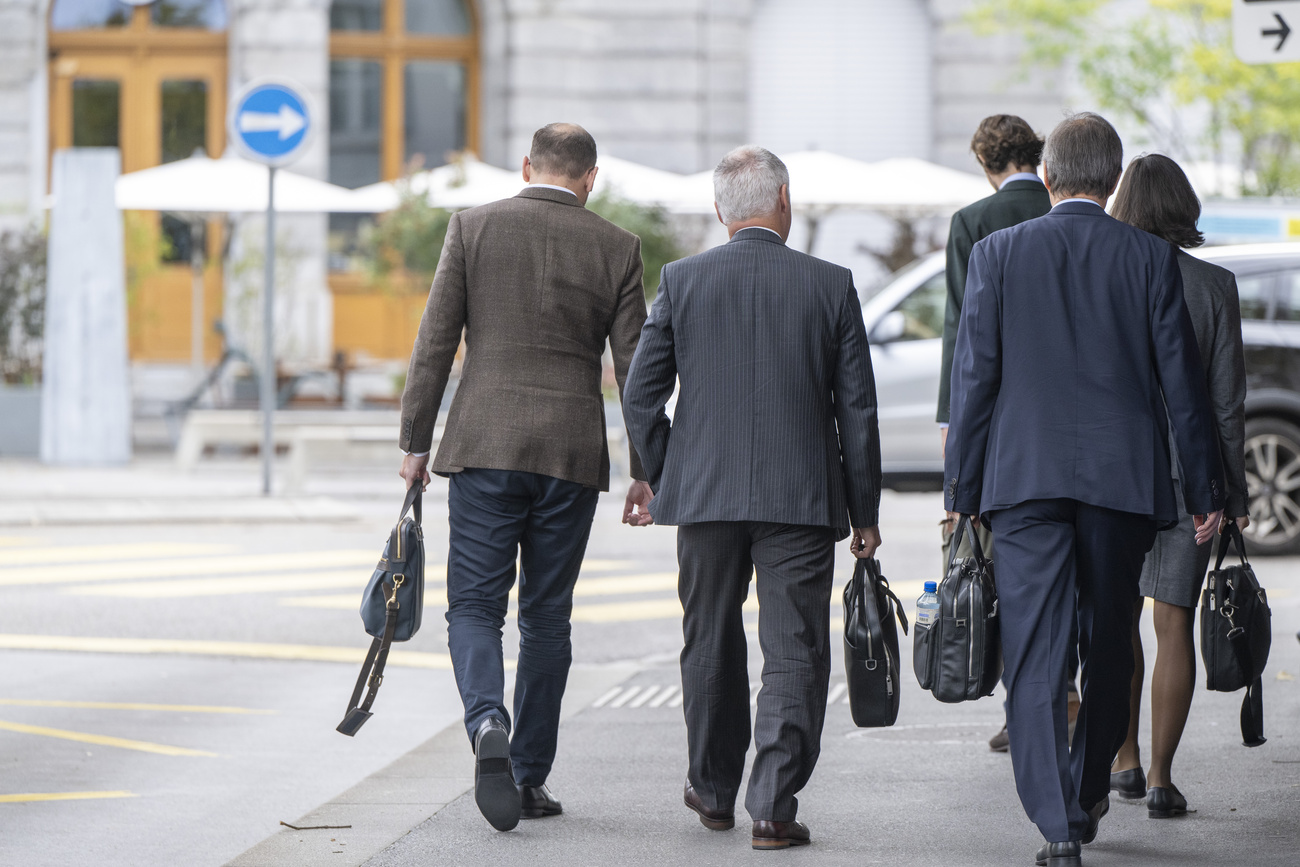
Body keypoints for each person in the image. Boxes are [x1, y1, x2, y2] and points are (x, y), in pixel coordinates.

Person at [944, 113, 1226, 867]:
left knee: (1034, 649)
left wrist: (961, 490)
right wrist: (1204, 489)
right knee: (1108, 640)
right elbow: (1183, 388)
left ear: (1049, 174)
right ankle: (1092, 782)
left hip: (1024, 481)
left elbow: (975, 382)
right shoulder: (1147, 259)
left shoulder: (998, 255)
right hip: (1121, 482)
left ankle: (1057, 821)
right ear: (1112, 178)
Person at [622, 145, 882, 851]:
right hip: (800, 495)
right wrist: (865, 514)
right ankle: (772, 802)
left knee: (708, 635)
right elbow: (856, 410)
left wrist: (662, 465)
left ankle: (711, 790)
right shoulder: (831, 284)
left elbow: (641, 391)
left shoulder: (681, 279)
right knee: (794, 644)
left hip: (702, 493)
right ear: (785, 202)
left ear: (719, 211)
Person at [397, 122, 655, 832]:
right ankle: (528, 774)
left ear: (525, 166)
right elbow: (635, 367)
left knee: (476, 608)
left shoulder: (472, 228)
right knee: (548, 616)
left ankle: (487, 720)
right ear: (590, 178)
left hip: (483, 442)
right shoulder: (617, 246)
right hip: (571, 453)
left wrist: (416, 441)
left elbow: (435, 343)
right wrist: (645, 467)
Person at [1107, 153, 1250, 818]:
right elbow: (1225, 405)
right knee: (1175, 623)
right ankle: (1163, 778)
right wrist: (1230, 494)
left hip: (1115, 479)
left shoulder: (1107, 276)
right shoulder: (1214, 285)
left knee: (1117, 621)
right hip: (1190, 482)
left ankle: (1125, 760)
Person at [933, 114, 1060, 753]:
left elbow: (963, 333)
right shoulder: (1070, 207)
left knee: (1000, 566)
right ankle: (1070, 694)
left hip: (1000, 422)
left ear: (984, 162)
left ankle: (1023, 705)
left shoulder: (973, 223)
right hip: (1066, 417)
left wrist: (958, 430)